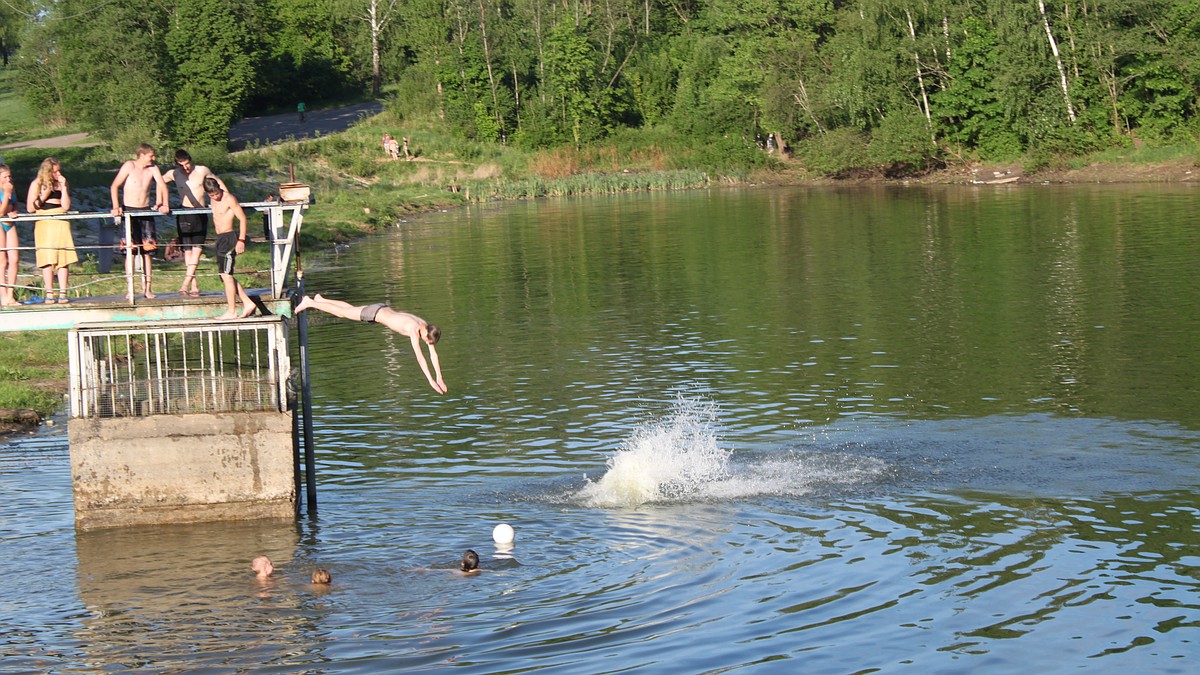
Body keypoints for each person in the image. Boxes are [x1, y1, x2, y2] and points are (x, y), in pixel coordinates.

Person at [294, 293, 447, 394]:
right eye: (427, 340)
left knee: (349, 310)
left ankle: (321, 299)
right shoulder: (414, 330)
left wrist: (439, 377)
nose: (426, 343)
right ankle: (310, 303)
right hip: (374, 314)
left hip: (381, 308)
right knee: (342, 313)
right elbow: (421, 358)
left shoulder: (424, 324)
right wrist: (430, 380)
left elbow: (433, 354)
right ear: (426, 333)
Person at [163, 149, 228, 297]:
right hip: (184, 213)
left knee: (197, 249)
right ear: (176, 164)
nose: (185, 168)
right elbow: (158, 181)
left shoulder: (201, 170)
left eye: (187, 164)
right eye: (181, 165)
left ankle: (185, 283)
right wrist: (161, 201)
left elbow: (217, 182)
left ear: (190, 161)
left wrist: (227, 198)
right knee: (188, 250)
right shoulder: (174, 174)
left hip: (200, 212)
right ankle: (194, 285)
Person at [111, 144, 170, 301]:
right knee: (130, 251)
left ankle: (148, 288)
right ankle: (130, 289)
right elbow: (114, 186)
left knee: (148, 252)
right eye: (151, 155)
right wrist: (116, 207)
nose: (153, 158)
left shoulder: (153, 168)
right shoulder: (129, 166)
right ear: (142, 155)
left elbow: (162, 185)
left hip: (145, 211)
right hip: (129, 211)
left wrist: (165, 204)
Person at [205, 176, 257, 320]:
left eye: (217, 193)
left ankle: (232, 311)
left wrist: (241, 239)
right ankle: (247, 303)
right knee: (224, 276)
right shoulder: (212, 198)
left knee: (227, 275)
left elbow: (242, 218)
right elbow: (211, 178)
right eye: (212, 195)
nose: (215, 197)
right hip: (220, 239)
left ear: (219, 189)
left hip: (230, 238)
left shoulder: (228, 198)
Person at [27, 157, 77, 304]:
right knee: (47, 258)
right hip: (45, 221)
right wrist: (45, 194)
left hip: (61, 220)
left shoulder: (62, 183)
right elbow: (30, 208)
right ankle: (49, 293)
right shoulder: (37, 184)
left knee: (63, 258)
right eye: (55, 172)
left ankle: (63, 293)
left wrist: (64, 188)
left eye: (59, 171)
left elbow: (67, 206)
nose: (58, 174)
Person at [0, 164, 20, 306]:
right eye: (5, 176)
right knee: (2, 261)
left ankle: (11, 293)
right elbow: (0, 211)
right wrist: (6, 194)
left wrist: (15, 211)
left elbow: (16, 204)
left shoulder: (12, 188)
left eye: (9, 176)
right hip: (0, 222)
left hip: (10, 223)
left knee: (14, 258)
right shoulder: (5, 190)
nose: (8, 179)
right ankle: (4, 295)